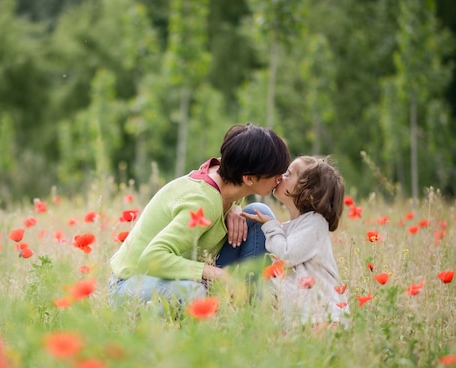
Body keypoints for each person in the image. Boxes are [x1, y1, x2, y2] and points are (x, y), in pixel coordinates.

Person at [108, 123, 291, 308]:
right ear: (248, 179)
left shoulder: (228, 174)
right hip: (133, 283)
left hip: (184, 274)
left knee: (257, 215)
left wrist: (235, 208)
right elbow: (151, 259)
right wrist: (218, 274)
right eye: (275, 173)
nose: (281, 177)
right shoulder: (203, 201)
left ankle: (252, 309)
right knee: (193, 292)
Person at [243, 156, 350, 329]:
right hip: (300, 318)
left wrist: (271, 226)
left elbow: (286, 254)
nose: (281, 176)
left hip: (323, 316)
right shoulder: (291, 227)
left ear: (307, 190)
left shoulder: (315, 222)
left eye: (288, 174)